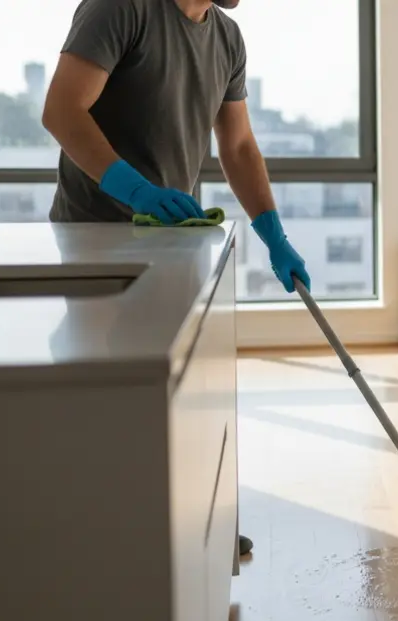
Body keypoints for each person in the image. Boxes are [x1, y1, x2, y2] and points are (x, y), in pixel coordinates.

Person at [43, 0, 311, 556]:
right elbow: (63, 111)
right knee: (109, 400)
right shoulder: (122, 9)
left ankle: (187, 529)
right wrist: (136, 190)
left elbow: (236, 144)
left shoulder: (227, 38)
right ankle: (98, 540)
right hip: (95, 239)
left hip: (172, 242)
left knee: (175, 392)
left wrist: (273, 233)